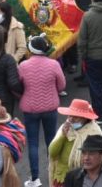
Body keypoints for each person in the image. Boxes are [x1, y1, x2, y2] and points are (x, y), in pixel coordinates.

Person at [17, 34, 66, 180]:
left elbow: (17, 85)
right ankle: (53, 174)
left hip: (30, 109)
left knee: (33, 143)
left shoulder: (23, 66)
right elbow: (62, 84)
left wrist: (24, 95)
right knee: (51, 141)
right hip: (50, 107)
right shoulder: (54, 64)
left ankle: (35, 178)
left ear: (31, 50)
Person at [47, 100, 102, 187]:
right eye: (70, 115)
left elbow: (98, 160)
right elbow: (52, 152)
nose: (71, 119)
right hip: (62, 178)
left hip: (82, 180)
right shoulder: (65, 128)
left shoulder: (94, 132)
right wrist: (62, 136)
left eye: (75, 116)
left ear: (84, 118)